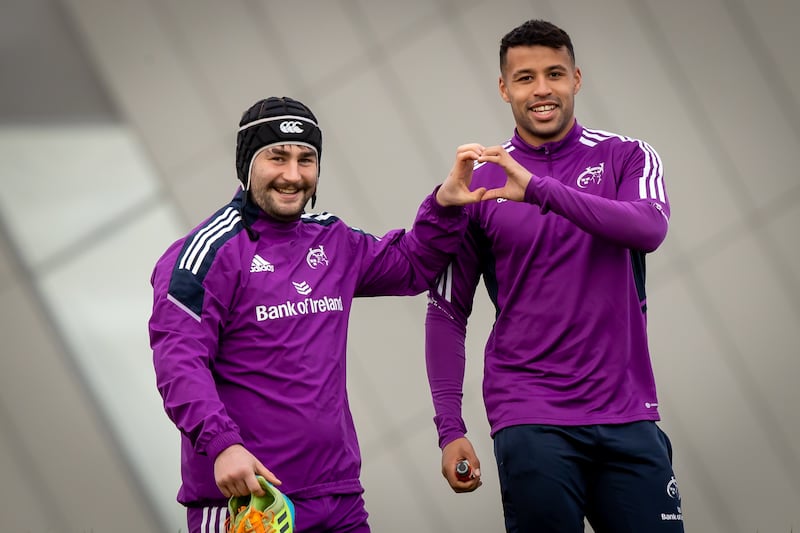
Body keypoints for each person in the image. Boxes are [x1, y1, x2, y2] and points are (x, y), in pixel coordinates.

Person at [148, 96, 496, 532]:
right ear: (246, 164)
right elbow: (179, 362)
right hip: (251, 503)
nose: (293, 175)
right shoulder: (204, 254)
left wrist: (445, 204)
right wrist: (222, 444)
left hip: (339, 498)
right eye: (277, 157)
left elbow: (412, 265)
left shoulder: (331, 239)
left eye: (306, 159)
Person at [424, 19, 685, 532]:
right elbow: (446, 313)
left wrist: (540, 191)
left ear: (576, 79)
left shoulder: (626, 155)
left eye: (555, 74)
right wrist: (450, 428)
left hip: (627, 412)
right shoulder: (477, 184)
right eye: (525, 78)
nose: (541, 89)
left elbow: (649, 228)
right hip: (530, 415)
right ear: (504, 88)